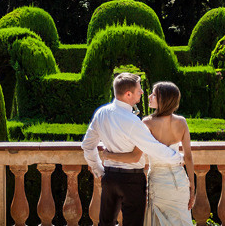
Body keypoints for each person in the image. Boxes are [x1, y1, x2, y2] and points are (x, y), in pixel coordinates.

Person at [81, 73, 184, 226]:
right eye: (139, 89)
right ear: (128, 94)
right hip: (132, 181)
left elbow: (87, 146)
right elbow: (153, 147)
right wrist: (177, 157)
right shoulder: (133, 121)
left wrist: (99, 170)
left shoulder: (101, 113)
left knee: (105, 223)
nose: (142, 92)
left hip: (109, 178)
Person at [102, 81, 195, 226]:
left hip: (159, 183)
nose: (149, 96)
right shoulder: (182, 122)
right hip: (180, 181)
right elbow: (188, 157)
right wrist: (192, 186)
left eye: (154, 95)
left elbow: (134, 157)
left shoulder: (147, 123)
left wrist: (108, 155)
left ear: (164, 100)